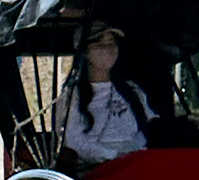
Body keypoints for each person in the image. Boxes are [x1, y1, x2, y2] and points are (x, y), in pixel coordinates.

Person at [55, 24, 151, 169]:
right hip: (97, 170)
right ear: (85, 52)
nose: (109, 49)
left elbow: (148, 125)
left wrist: (133, 151)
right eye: (100, 45)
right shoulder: (73, 96)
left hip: (137, 163)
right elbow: (72, 139)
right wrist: (112, 155)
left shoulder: (132, 90)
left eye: (112, 43)